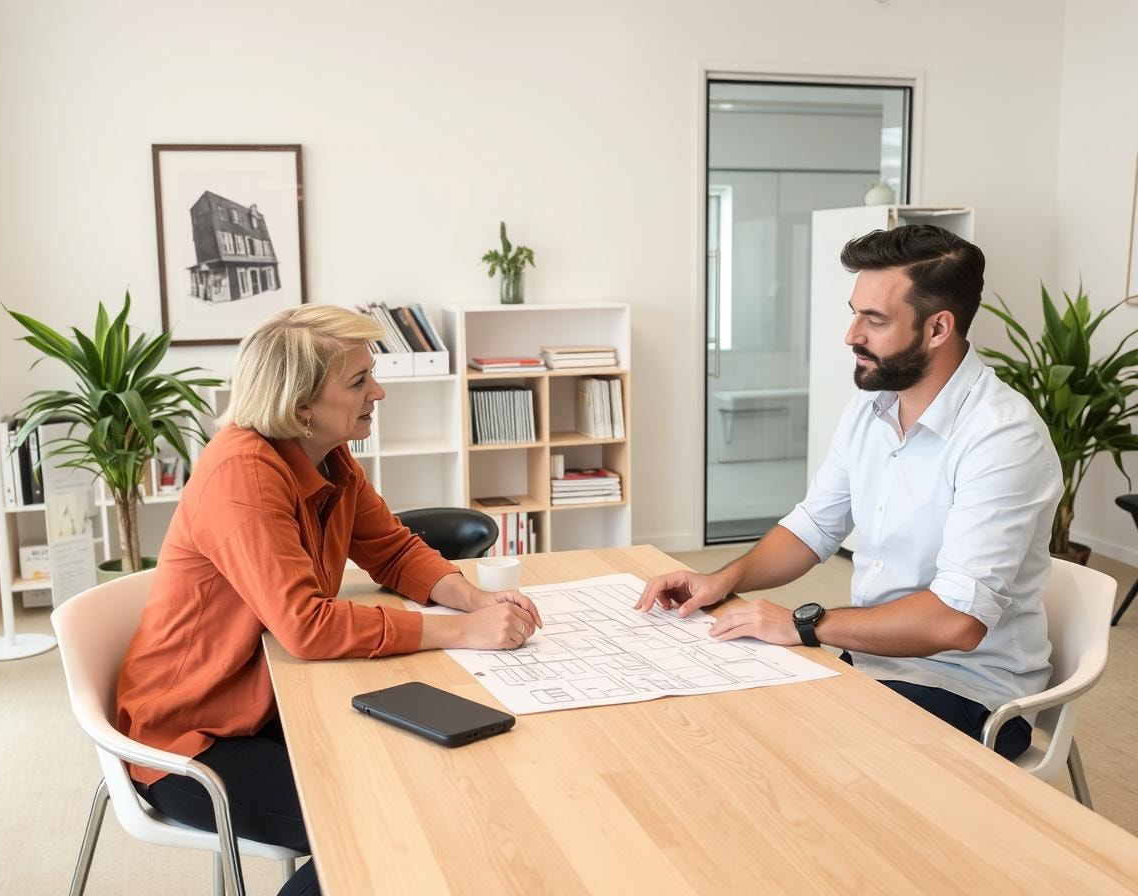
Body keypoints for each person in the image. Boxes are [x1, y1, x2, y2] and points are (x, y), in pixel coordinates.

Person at [116, 305, 542, 896]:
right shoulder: (243, 475)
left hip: (266, 703)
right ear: (300, 408)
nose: (379, 390)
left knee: (434, 775)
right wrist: (459, 632)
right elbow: (306, 628)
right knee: (384, 824)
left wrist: (473, 601)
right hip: (189, 739)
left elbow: (392, 550)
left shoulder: (328, 455)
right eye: (359, 380)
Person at [637, 224, 1061, 761]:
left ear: (938, 328)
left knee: (787, 752)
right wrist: (723, 579)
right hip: (867, 661)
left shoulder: (1003, 437)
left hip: (967, 690)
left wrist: (803, 624)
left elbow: (956, 622)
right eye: (854, 311)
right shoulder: (872, 406)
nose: (850, 334)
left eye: (874, 320)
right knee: (720, 710)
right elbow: (814, 526)